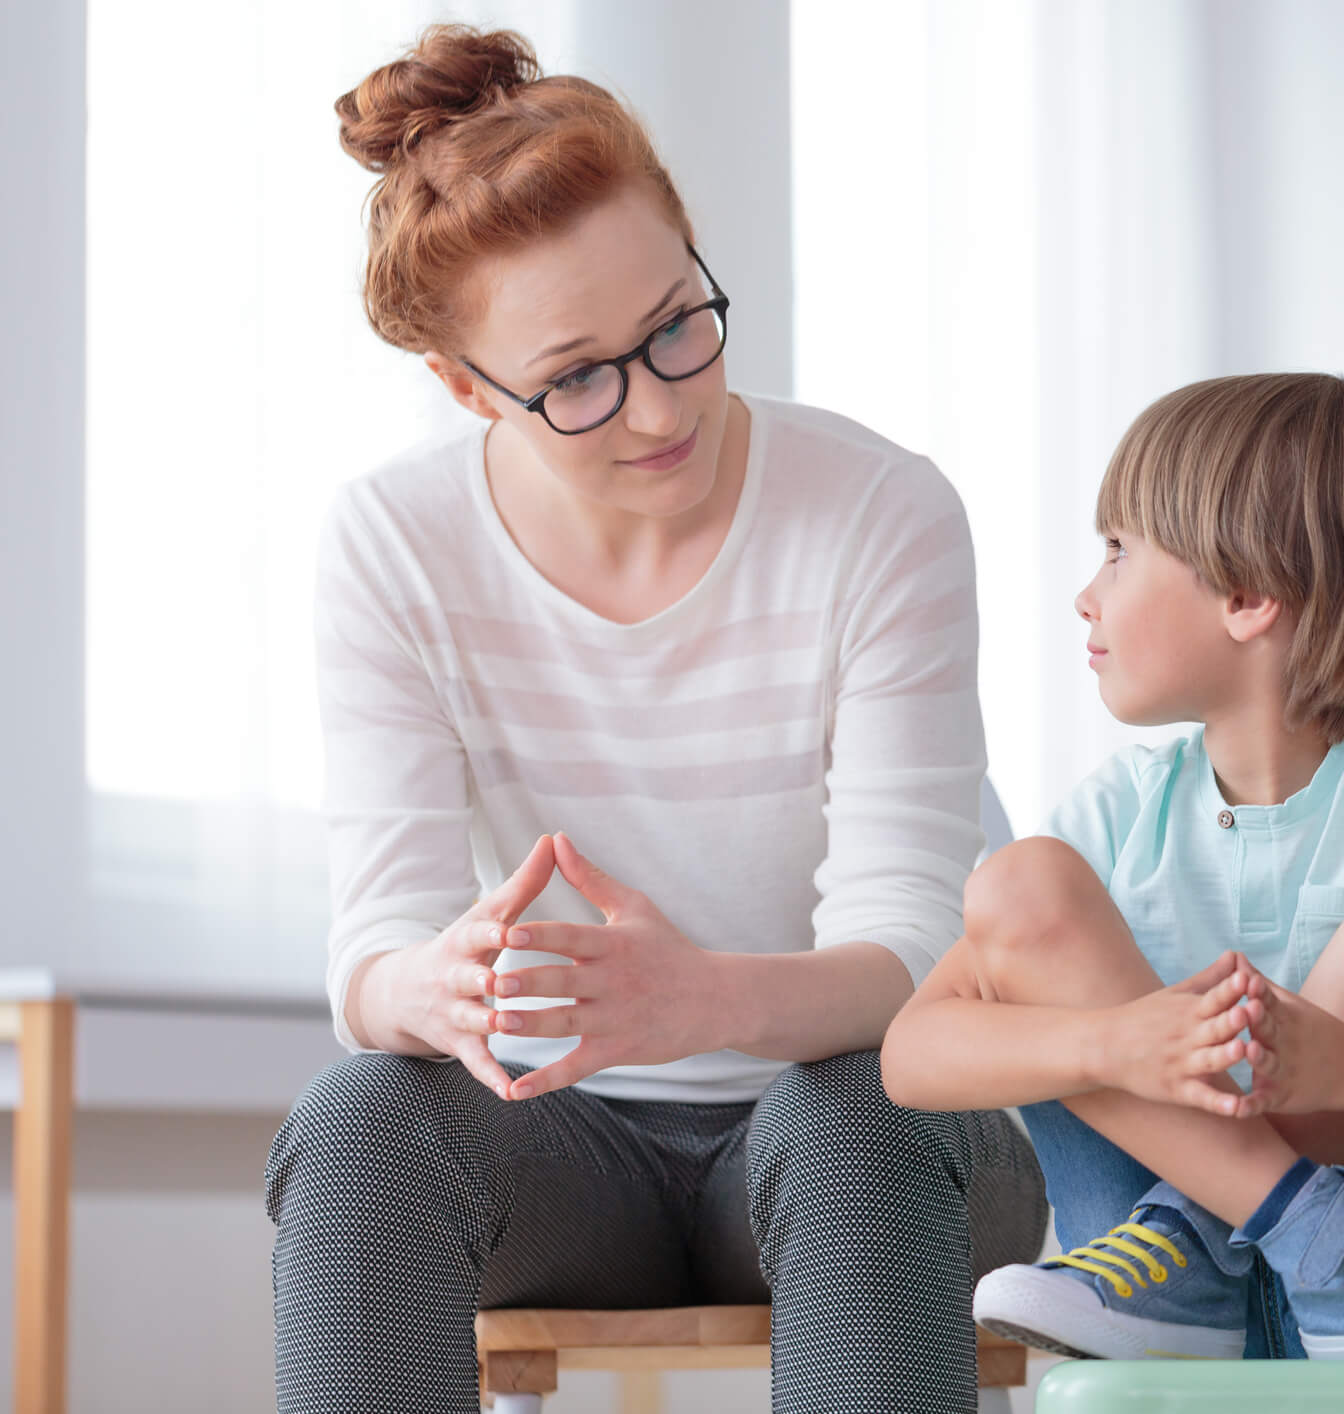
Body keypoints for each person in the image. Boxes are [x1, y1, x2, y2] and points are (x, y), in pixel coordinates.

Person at [263, 25, 1045, 1414]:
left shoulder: (880, 514)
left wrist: (706, 999)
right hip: (565, 1153)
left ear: (695, 255)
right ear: (465, 388)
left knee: (852, 1104)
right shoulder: (393, 543)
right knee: (363, 1115)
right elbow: (369, 958)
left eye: (678, 323)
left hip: (866, 1132)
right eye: (576, 379)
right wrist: (424, 986)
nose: (660, 405)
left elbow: (915, 954)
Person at [882, 371, 1344, 1361]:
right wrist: (1118, 1043)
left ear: (1247, 595)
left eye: (1119, 551)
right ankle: (1276, 1249)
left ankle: (1222, 1244)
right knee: (1020, 883)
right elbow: (912, 1054)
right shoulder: (1113, 820)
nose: (1086, 592)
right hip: (1162, 1308)